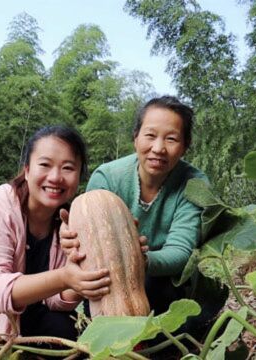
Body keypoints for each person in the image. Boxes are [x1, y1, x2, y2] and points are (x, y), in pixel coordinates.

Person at [0, 125, 112, 360]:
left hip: (25, 316)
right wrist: (64, 277)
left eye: (68, 168)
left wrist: (78, 283)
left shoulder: (69, 220)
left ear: (79, 176)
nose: (55, 177)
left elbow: (57, 301)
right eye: (45, 165)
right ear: (27, 170)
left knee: (69, 335)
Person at [61, 96, 227, 338]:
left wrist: (139, 259)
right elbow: (91, 243)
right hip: (110, 285)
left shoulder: (194, 183)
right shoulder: (106, 178)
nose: (158, 148)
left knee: (180, 306)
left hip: (167, 282)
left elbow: (181, 252)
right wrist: (73, 241)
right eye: (150, 135)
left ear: (185, 146)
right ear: (135, 137)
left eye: (171, 139)